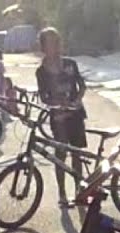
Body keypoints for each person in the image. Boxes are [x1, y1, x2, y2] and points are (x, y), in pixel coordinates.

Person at [35, 27, 89, 207]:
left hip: (75, 115)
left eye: (57, 42)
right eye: (50, 43)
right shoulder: (41, 71)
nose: (55, 46)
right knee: (60, 155)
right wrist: (57, 103)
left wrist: (77, 100)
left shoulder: (70, 63)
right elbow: (44, 96)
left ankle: (79, 190)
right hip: (58, 118)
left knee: (77, 154)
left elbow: (81, 86)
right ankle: (62, 193)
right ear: (43, 47)